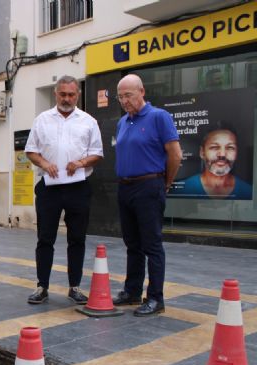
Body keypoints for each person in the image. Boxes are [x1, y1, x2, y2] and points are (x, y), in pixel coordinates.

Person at [24, 75, 104, 306]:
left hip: (78, 187)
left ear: (77, 95)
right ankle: (42, 286)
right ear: (55, 94)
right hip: (49, 188)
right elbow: (31, 150)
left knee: (77, 238)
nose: (67, 99)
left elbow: (97, 153)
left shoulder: (88, 121)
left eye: (71, 94)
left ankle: (75, 287)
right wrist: (44, 164)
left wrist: (80, 163)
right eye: (63, 94)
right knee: (45, 238)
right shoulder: (42, 120)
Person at [112, 74, 182, 316]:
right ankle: (132, 291)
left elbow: (175, 154)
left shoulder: (159, 117)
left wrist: (166, 182)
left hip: (149, 186)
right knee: (132, 243)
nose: (124, 101)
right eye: (120, 97)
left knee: (152, 245)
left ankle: (155, 298)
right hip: (125, 187)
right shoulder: (122, 122)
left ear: (142, 91)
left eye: (128, 95)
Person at [170, 124, 252, 199]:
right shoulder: (182, 190)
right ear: (202, 152)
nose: (222, 154)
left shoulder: (249, 192)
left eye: (230, 147)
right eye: (214, 147)